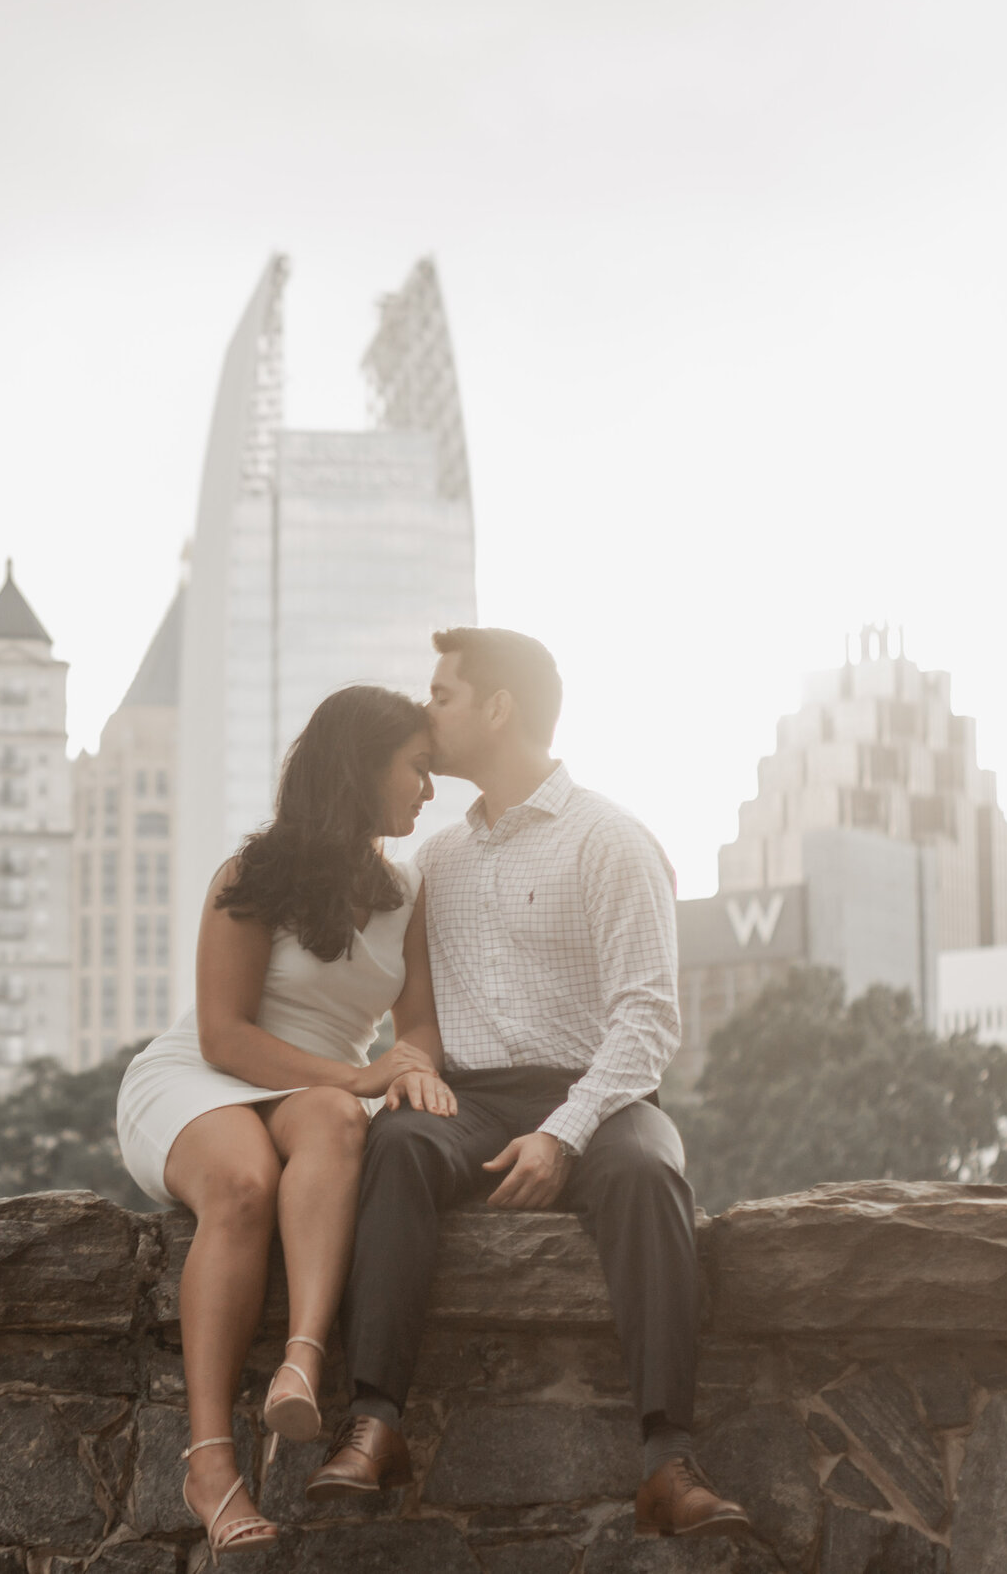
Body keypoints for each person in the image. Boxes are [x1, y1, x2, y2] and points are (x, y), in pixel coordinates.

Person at [306, 628, 751, 1538]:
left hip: (604, 1090)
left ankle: (668, 1458)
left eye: (442, 695)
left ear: (498, 708)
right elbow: (409, 1010)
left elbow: (648, 1022)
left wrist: (566, 1130)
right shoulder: (432, 862)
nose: (425, 711)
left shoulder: (612, 839)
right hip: (470, 1098)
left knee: (647, 1175)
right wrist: (414, 1070)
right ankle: (375, 1422)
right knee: (394, 1141)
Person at [115, 685, 456, 1566]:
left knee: (342, 1123)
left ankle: (300, 1363)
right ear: (360, 764)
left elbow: (417, 1023)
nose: (429, 789)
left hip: (314, 1090)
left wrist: (409, 1067)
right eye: (418, 767)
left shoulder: (408, 890)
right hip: (206, 1074)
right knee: (239, 1185)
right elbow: (226, 1033)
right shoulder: (249, 875)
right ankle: (211, 1467)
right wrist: (359, 1073)